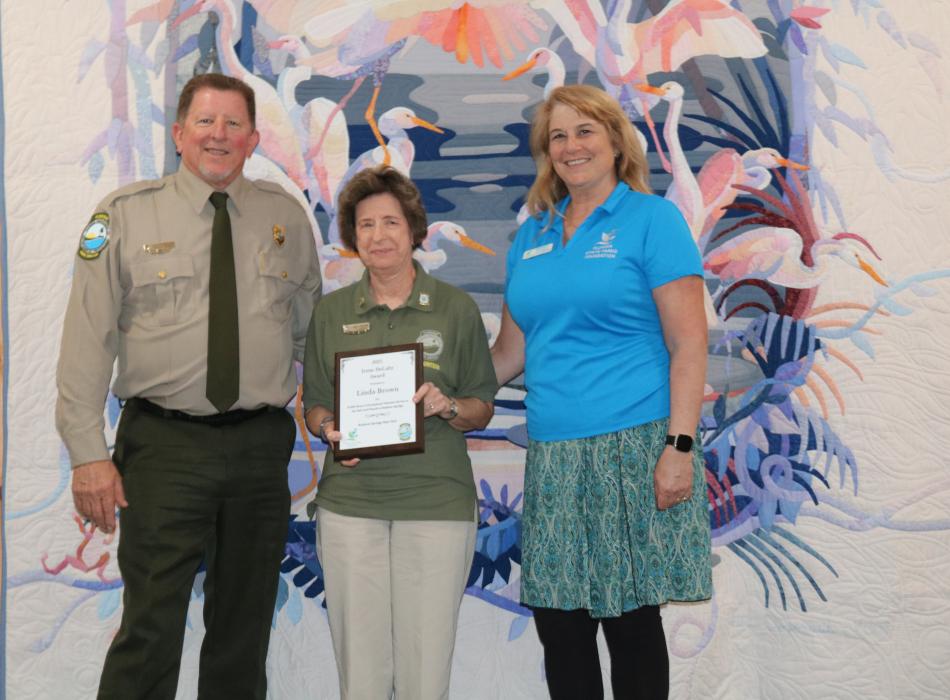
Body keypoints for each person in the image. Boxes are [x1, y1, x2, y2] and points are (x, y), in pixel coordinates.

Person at [56, 73, 322, 700]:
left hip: (259, 447)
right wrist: (89, 454)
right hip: (163, 448)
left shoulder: (286, 218)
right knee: (150, 626)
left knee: (243, 627)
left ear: (254, 138)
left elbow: (315, 337)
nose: (219, 136)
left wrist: (341, 412)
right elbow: (87, 341)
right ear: (178, 134)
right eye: (205, 122)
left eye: (234, 124)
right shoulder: (122, 215)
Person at [491, 84, 712, 699]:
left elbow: (689, 345)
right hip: (556, 456)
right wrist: (435, 396)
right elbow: (509, 355)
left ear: (616, 141)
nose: (571, 146)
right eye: (557, 136)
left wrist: (680, 446)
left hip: (634, 448)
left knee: (631, 623)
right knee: (560, 626)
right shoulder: (530, 235)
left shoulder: (653, 220)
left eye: (585, 131)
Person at [303, 165, 497, 700]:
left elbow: (482, 405)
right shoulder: (332, 312)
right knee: (360, 672)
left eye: (391, 222)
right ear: (352, 238)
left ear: (414, 231)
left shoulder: (456, 309)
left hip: (435, 504)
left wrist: (447, 404)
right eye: (366, 225)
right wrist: (328, 428)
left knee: (424, 668)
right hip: (350, 505)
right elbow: (314, 403)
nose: (378, 236)